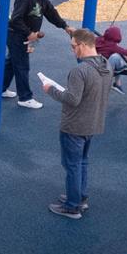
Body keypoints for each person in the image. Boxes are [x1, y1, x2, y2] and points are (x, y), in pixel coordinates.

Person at [44, 28, 113, 219]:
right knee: (82, 162)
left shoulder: (79, 71)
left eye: (73, 47)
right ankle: (80, 197)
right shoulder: (106, 65)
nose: (73, 50)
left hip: (74, 125)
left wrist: (50, 89)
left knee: (71, 165)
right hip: (94, 122)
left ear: (82, 45)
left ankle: (72, 206)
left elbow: (72, 99)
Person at [3, 0, 71, 111]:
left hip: (20, 34)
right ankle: (25, 98)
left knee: (12, 62)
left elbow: (50, 11)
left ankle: (1, 88)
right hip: (16, 35)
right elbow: (16, 19)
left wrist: (64, 26)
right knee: (22, 65)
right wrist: (28, 33)